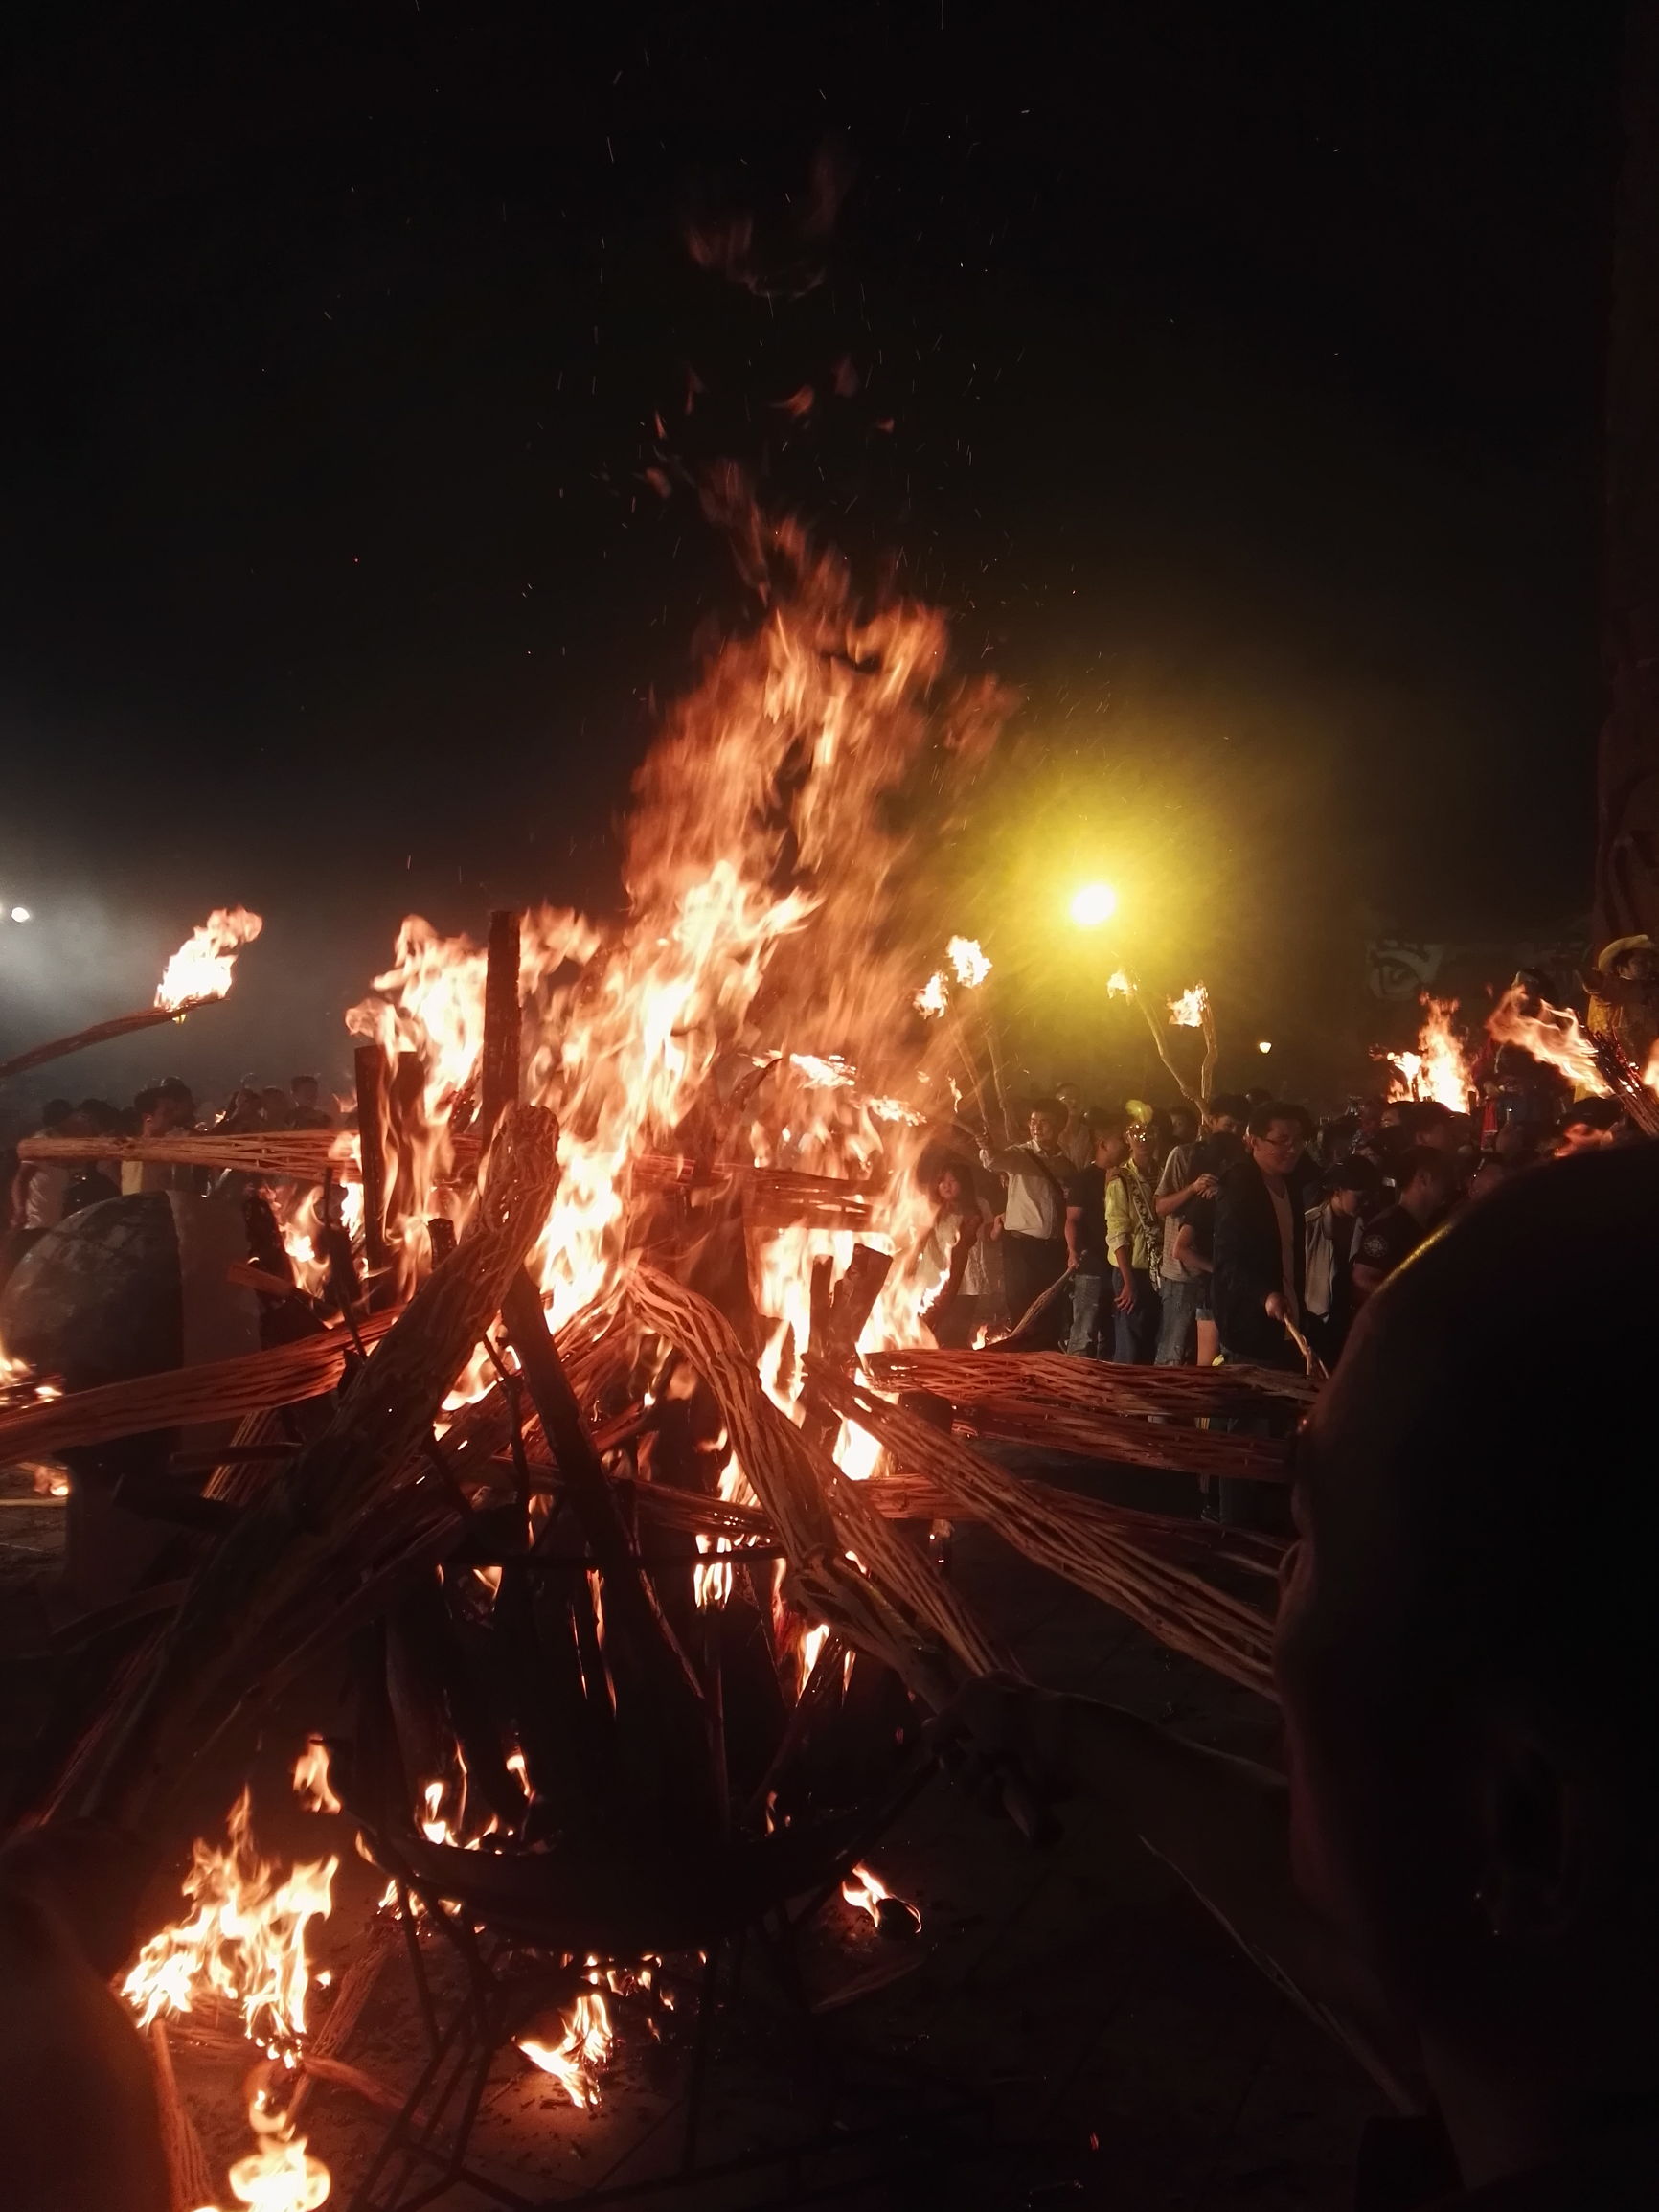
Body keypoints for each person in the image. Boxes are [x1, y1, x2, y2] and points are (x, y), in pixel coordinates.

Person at [955, 1150, 1659, 2208]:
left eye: (1311, 1537)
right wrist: (1073, 1736)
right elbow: (1376, 1917)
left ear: (1528, 1820)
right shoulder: (1566, 2003)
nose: (1279, 1577)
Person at [1211, 1101, 1309, 1368]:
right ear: (1253, 1141)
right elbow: (1227, 1260)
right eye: (1281, 1141)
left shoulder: (1291, 1183)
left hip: (1289, 1323)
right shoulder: (1239, 1186)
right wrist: (1264, 1295)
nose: (1292, 1149)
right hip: (1250, 1328)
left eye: (1298, 1140)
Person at [1153, 1092, 1247, 1366]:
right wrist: (1193, 1188)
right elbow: (1161, 1207)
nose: (1235, 1132)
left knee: (1205, 1358)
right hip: (1182, 1275)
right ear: (1212, 1120)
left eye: (1241, 1127)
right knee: (1173, 1349)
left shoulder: (1241, 1162)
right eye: (1229, 1125)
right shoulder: (1183, 1155)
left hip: (1215, 1278)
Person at [978, 1099, 1074, 1346]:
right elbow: (994, 1161)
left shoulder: (1066, 1164)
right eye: (1033, 1122)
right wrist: (988, 1146)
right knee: (1023, 1310)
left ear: (1060, 1125)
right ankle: (1021, 1365)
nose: (1037, 1128)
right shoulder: (1021, 1155)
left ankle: (1047, 1363)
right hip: (1021, 1248)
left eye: (1044, 1123)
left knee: (1051, 1309)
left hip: (1053, 1249)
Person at [1350, 1145, 1457, 1306]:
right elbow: (1362, 1278)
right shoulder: (1387, 1227)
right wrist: (1409, 1299)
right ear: (1424, 1178)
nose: (1448, 1186)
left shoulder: (1434, 1221)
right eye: (1443, 1178)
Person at [1303, 1155, 1378, 1368]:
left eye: (1368, 1198)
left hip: (1350, 1323)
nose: (1365, 1204)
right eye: (1359, 1197)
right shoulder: (1309, 1227)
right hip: (1316, 1323)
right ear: (1337, 1191)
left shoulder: (1368, 1228)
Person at [1104, 1114, 1166, 1362]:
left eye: (1148, 1133)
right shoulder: (1121, 1180)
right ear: (1127, 1138)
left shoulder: (1165, 1175)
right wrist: (1129, 1282)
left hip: (1161, 1271)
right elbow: (1117, 1233)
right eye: (1136, 1133)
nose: (1143, 1138)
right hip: (1131, 1270)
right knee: (1130, 1344)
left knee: (1154, 1340)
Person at [920, 1158, 997, 1349]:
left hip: (966, 1278)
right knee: (931, 1329)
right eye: (942, 1180)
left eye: (952, 1180)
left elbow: (986, 1235)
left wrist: (997, 1229)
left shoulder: (979, 1205)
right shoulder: (932, 1208)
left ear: (964, 1183)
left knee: (954, 1330)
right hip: (934, 1278)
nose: (946, 1185)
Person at [1063, 1123, 1125, 1357]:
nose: (1126, 1144)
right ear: (1103, 1144)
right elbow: (1072, 1220)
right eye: (1120, 1139)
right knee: (1085, 1327)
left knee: (1111, 1330)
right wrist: (1072, 1250)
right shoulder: (1085, 1179)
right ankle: (1075, 1379)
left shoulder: (1126, 1174)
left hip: (1119, 1264)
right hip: (1092, 1262)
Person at [121, 1079, 197, 1196]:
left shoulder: (177, 1142)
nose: (172, 1117)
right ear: (148, 1118)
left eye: (172, 1111)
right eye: (167, 1113)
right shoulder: (129, 1150)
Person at [9, 1098, 74, 1230]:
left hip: (53, 1226)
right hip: (34, 1225)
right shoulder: (43, 1141)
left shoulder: (64, 1144)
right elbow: (21, 1178)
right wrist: (20, 1210)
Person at [1054, 1081, 1093, 1171]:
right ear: (1057, 1102)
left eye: (1078, 1098)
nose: (1074, 1101)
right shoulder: (1050, 1133)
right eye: (1068, 1098)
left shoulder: (1090, 1135)